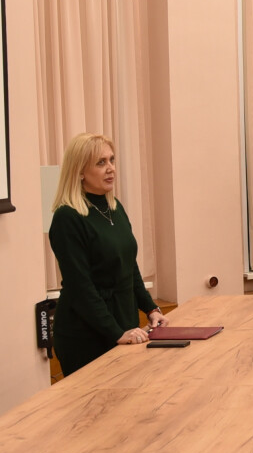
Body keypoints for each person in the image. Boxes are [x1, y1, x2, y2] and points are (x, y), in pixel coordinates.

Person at [48, 133, 169, 377]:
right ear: (80, 171)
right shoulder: (67, 217)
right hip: (85, 334)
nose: (110, 168)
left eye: (112, 160)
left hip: (122, 322)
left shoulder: (114, 208)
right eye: (100, 163)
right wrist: (115, 332)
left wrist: (151, 308)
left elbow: (129, 268)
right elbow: (80, 287)